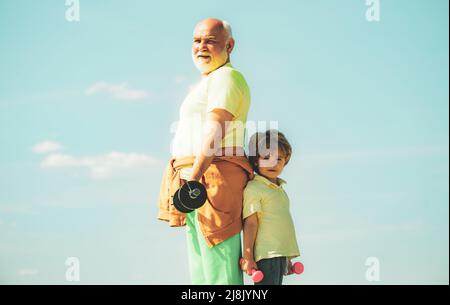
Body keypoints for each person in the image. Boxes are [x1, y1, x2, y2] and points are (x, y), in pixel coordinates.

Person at [158, 18, 253, 285]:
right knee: (201, 276)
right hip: (194, 179)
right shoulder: (208, 82)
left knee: (220, 273)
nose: (202, 46)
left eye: (211, 40)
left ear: (229, 45)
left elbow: (215, 131)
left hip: (210, 179)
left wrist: (194, 177)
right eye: (197, 40)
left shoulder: (226, 77)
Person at [241, 130, 301, 285]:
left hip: (279, 254)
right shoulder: (254, 188)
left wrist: (286, 258)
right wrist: (247, 256)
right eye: (266, 157)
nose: (273, 163)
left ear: (285, 161)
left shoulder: (279, 190)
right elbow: (250, 223)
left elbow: (280, 226)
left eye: (278, 158)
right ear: (256, 161)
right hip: (266, 255)